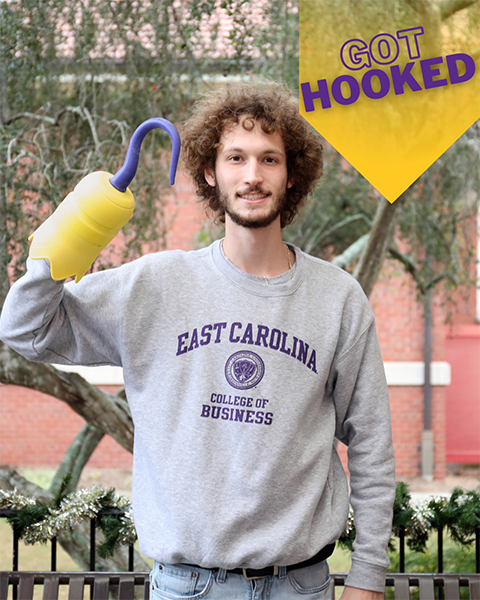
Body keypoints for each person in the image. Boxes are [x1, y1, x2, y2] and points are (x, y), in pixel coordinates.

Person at [0, 82, 395, 600]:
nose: (252, 175)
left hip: (300, 587)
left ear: (291, 173)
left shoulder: (337, 299)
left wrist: (367, 577)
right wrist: (73, 230)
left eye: (269, 159)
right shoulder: (155, 285)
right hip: (186, 588)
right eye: (236, 157)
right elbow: (27, 327)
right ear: (211, 171)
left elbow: (371, 442)